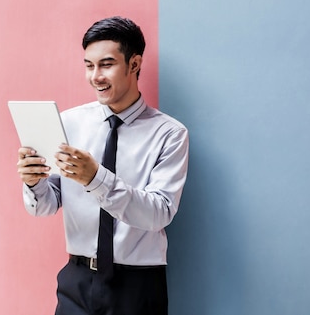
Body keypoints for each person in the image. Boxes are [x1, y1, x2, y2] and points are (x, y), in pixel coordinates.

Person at [16, 16, 189, 315]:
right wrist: (34, 183)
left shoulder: (170, 134)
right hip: (76, 280)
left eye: (106, 64)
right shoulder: (69, 123)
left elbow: (159, 214)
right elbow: (46, 205)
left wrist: (95, 178)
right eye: (88, 65)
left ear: (134, 64)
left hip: (137, 284)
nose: (95, 76)